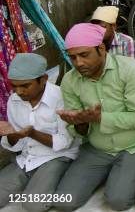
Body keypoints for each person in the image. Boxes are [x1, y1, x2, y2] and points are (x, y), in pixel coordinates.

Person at [54, 24, 135, 211]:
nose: (78, 63)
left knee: (118, 201)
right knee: (64, 201)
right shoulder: (70, 81)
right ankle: (110, 174)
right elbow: (79, 132)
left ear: (101, 49)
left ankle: (121, 175)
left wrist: (100, 118)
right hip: (97, 147)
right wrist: (79, 124)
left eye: (84, 55)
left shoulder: (132, 70)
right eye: (72, 57)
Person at [0, 54, 79, 212]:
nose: (19, 91)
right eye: (14, 86)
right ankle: (35, 181)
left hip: (56, 156)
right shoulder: (14, 101)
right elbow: (16, 145)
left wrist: (32, 133)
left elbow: (64, 142)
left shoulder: (61, 97)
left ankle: (67, 178)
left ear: (43, 79)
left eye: (25, 86)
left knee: (33, 205)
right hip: (26, 157)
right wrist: (12, 135)